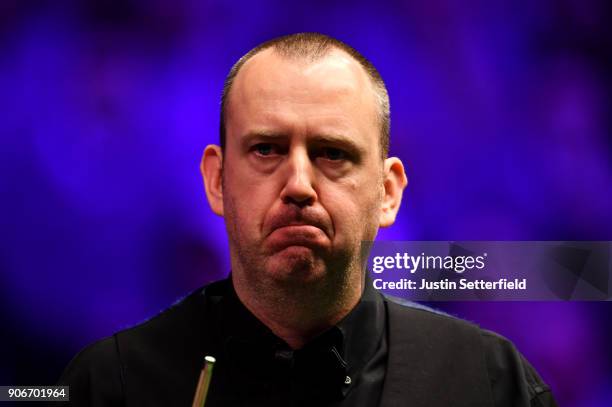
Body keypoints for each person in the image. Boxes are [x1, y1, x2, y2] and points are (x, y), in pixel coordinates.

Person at [59, 33, 557, 406]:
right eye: (266, 149)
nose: (298, 183)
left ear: (388, 192)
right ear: (217, 180)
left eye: (332, 152)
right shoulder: (111, 386)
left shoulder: (492, 383)